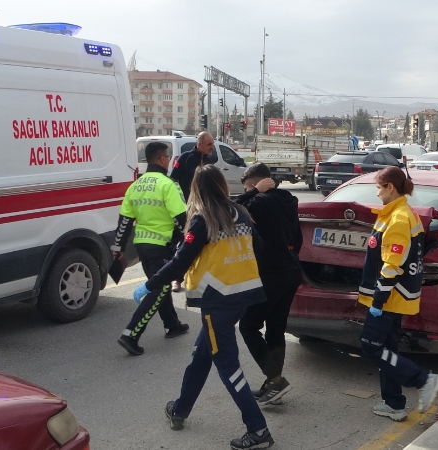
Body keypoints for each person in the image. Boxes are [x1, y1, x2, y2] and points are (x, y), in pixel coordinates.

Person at [133, 165, 275, 449]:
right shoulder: (241, 213)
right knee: (202, 355)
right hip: (241, 296)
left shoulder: (203, 219)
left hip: (218, 300)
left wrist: (149, 285)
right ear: (222, 185)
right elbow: (258, 248)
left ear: (196, 189)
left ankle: (258, 430)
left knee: (227, 365)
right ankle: (180, 410)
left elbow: (178, 263)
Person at [358, 166, 438, 422]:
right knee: (388, 349)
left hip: (389, 298)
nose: (376, 193)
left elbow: (392, 266)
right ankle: (394, 403)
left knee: (372, 347)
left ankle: (424, 380)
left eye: (379, 187)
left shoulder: (398, 219)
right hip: (393, 297)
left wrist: (378, 301)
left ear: (390, 187)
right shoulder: (397, 214)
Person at [112, 142, 190, 356]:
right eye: (169, 156)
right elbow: (182, 218)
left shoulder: (135, 186)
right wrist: (188, 241)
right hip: (161, 247)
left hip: (141, 247)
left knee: (160, 287)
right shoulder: (168, 184)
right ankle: (131, 334)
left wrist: (117, 247)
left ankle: (172, 325)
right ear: (163, 159)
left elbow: (124, 221)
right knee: (158, 289)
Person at [235, 164, 303, 406]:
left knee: (249, 326)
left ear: (255, 185)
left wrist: (253, 193)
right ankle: (272, 386)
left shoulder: (259, 202)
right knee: (275, 329)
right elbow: (298, 237)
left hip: (270, 272)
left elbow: (227, 209)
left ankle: (275, 379)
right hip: (291, 269)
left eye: (247, 188)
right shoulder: (289, 200)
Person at [169, 131, 217, 292]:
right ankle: (177, 279)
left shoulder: (210, 160)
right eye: (209, 144)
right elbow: (172, 181)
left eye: (213, 143)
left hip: (206, 208)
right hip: (188, 208)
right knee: (186, 242)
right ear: (199, 144)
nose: (212, 147)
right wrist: (181, 202)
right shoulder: (185, 158)